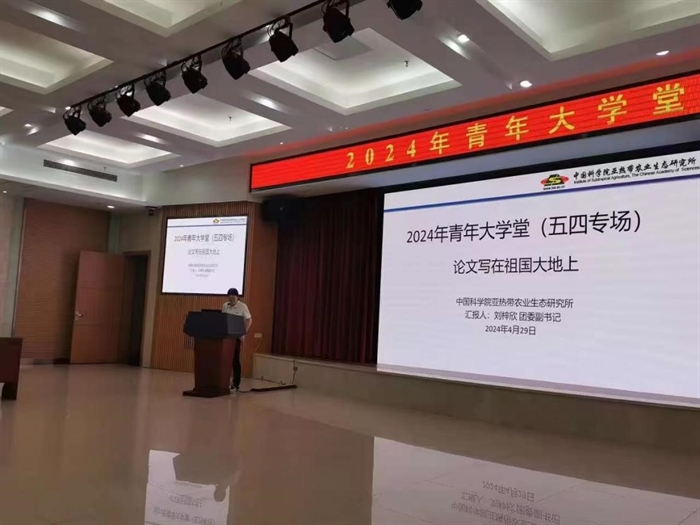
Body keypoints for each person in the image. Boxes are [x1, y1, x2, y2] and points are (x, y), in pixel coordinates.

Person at [221, 288, 252, 392]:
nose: (231, 300)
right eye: (229, 298)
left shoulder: (243, 306)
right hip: (226, 337)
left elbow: (249, 320)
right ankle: (224, 382)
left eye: (233, 298)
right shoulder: (225, 306)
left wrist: (244, 332)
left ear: (237, 297)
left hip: (236, 337)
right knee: (225, 360)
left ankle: (236, 384)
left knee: (235, 360)